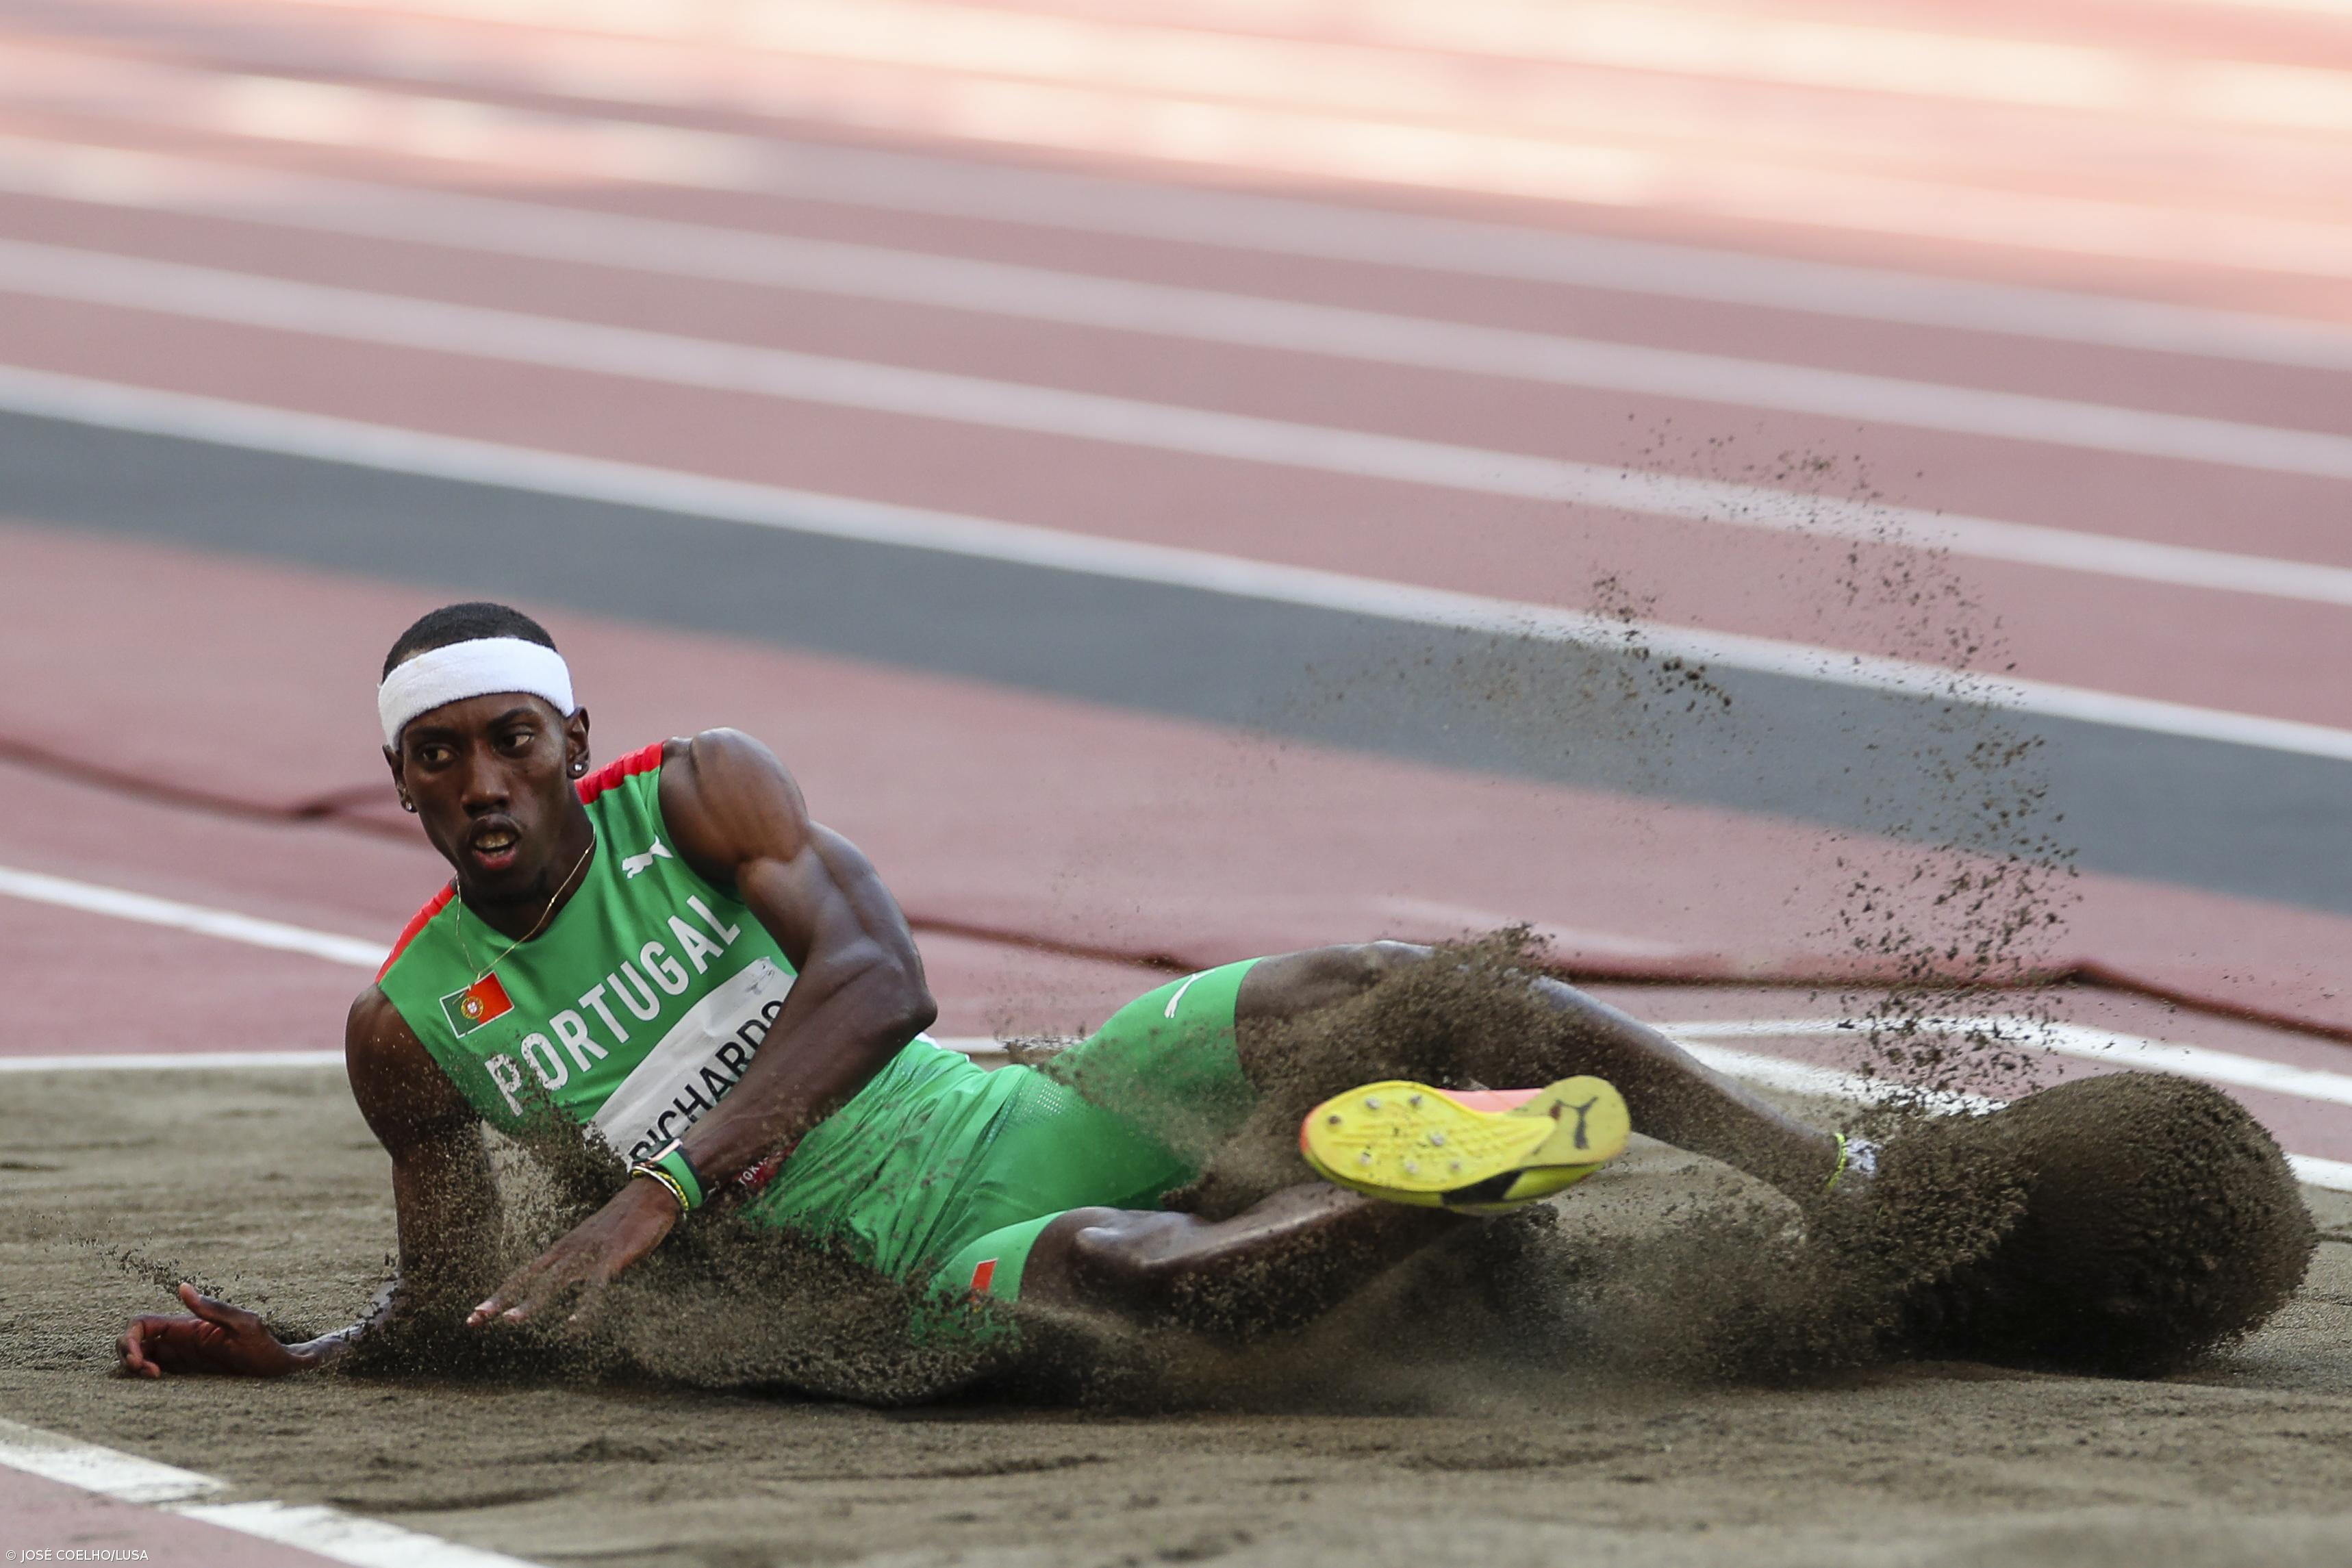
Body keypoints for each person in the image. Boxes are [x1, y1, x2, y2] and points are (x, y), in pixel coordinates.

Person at [113, 602, 1925, 1381]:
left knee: (1379, 982)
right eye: (442, 761)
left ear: (571, 737)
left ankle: (1838, 1189)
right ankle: (1413, 1179)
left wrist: (666, 1184)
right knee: (1134, 1290)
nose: (485, 782)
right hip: (925, 1251)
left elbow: (881, 979)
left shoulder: (697, 790)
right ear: (405, 789)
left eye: (513, 740)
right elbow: (453, 1302)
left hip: (1036, 1104)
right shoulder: (411, 1025)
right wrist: (314, 1350)